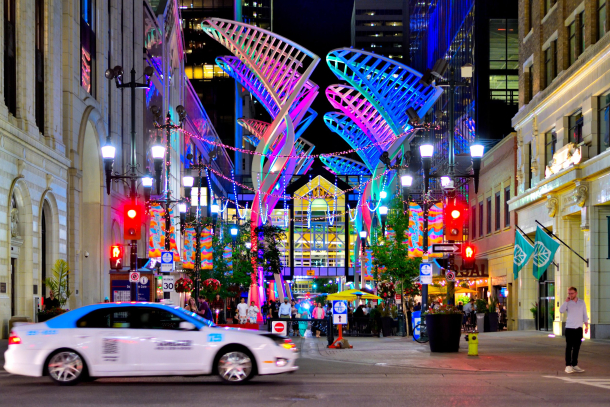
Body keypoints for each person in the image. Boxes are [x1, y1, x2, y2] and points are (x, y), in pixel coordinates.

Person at [559, 286, 589, 374]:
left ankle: (574, 365)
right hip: (569, 328)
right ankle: (568, 365)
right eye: (569, 293)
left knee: (577, 347)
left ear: (576, 293)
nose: (570, 295)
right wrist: (565, 302)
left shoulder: (581, 302)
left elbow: (584, 314)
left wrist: (586, 325)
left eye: (571, 293)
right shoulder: (567, 303)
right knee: (569, 347)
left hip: (578, 328)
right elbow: (561, 310)